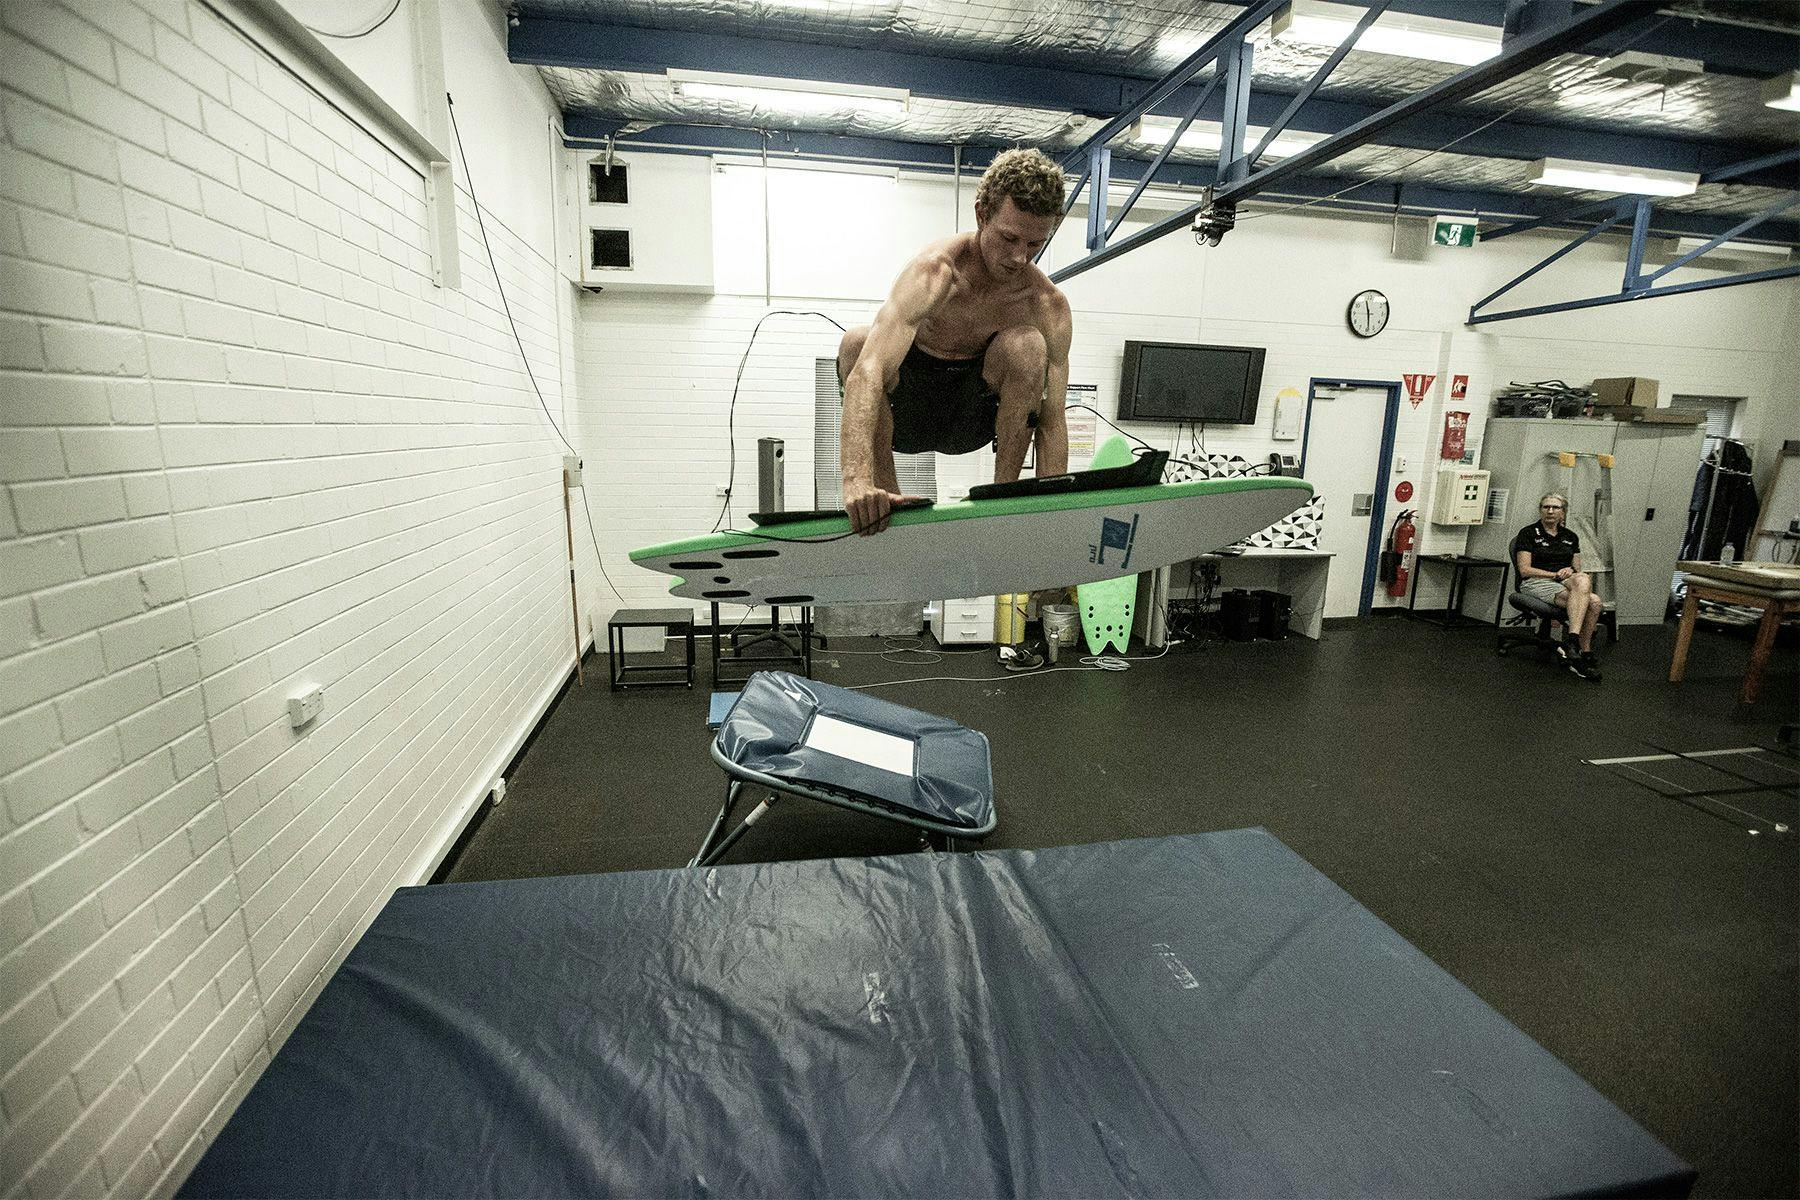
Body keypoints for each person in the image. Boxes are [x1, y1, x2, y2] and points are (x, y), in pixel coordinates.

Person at [836, 147, 1074, 538]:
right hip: (905, 415)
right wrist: (855, 480)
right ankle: (883, 500)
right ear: (982, 214)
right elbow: (867, 372)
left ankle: (1004, 501)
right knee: (857, 343)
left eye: (1034, 244)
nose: (1019, 257)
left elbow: (1052, 420)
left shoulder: (1046, 305)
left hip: (970, 418)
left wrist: (1051, 518)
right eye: (1009, 238)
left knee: (1029, 345)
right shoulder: (934, 273)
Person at [1515, 492, 1602, 680]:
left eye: (1555, 507)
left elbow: (1577, 569)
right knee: (1594, 602)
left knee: (1583, 579)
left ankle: (1574, 645)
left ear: (1563, 512)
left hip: (1564, 581)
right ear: (1540, 510)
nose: (1550, 511)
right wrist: (1554, 574)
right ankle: (1580, 650)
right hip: (1537, 581)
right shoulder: (1528, 533)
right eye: (1546, 507)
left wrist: (1569, 571)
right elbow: (1524, 570)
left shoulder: (1571, 537)